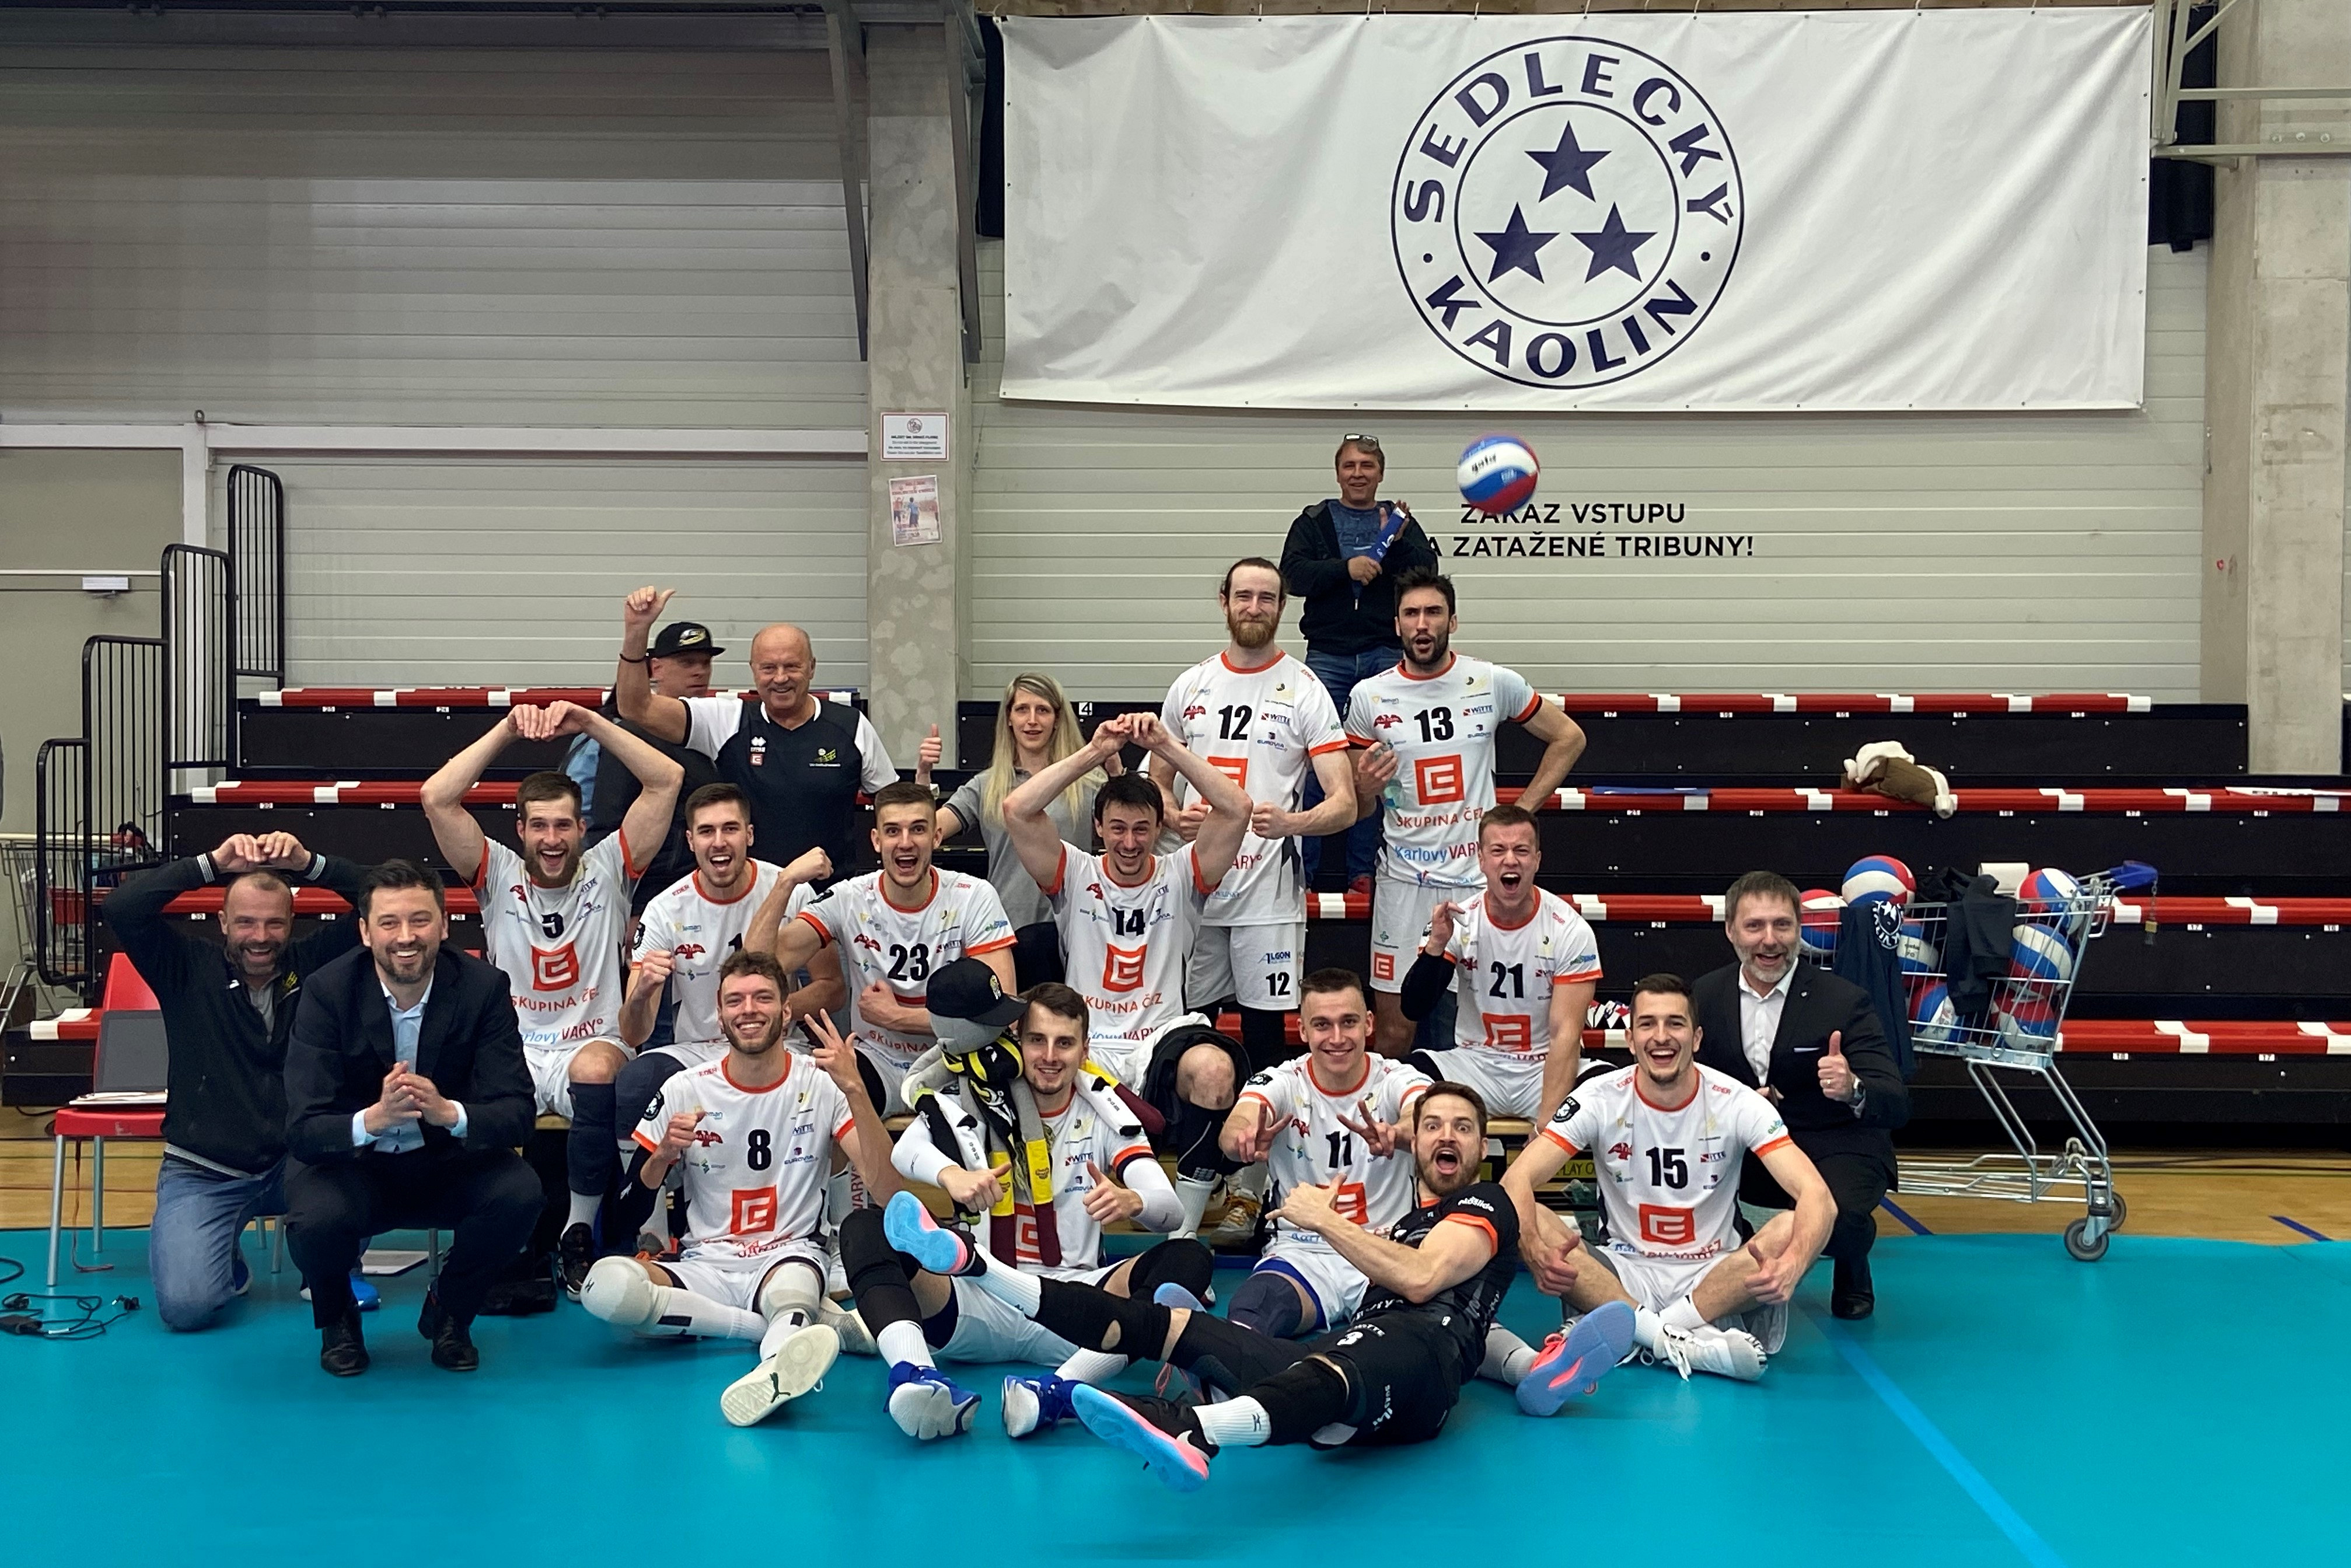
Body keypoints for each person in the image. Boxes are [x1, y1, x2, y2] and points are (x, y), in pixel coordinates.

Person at [879, 1081, 1637, 1490]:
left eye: (1462, 1127)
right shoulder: (1407, 1218)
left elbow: (1421, 1279)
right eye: (1432, 1123)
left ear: (1482, 1145)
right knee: (1168, 1328)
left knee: (1341, 1367)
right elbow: (1426, 1287)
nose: (1446, 1135)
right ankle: (982, 1267)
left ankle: (1199, 1431)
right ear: (1412, 1140)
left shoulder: (1488, 1201)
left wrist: (1322, 1218)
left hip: (1421, 1364)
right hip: (1354, 1350)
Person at [839, 968, 1215, 1441]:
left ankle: (1058, 1389)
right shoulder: (978, 1092)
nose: (1050, 1056)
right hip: (977, 1296)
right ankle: (917, 1376)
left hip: (1075, 1308)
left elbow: (1170, 1210)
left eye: (1064, 1043)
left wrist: (1132, 1199)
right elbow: (906, 1150)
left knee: (1189, 1257)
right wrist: (953, 1175)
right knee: (864, 1227)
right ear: (1016, 1040)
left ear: (1085, 1050)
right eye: (1037, 1040)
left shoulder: (1103, 1110)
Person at [420, 699, 684, 1295]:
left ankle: (577, 1232)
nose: (552, 837)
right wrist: (508, 729)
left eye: (563, 824)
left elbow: (666, 778)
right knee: (458, 1079)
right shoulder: (498, 873)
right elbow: (437, 797)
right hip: (513, 1048)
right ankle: (491, 1237)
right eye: (539, 825)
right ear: (520, 830)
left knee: (596, 1069)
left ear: (582, 827)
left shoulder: (609, 868)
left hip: (590, 1041)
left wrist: (590, 722)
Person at [581, 953, 896, 1426]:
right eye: (735, 1000)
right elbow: (622, 1219)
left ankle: (778, 1359)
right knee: (605, 1287)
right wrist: (662, 1155)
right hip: (705, 1263)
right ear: (720, 1013)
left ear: (785, 1011)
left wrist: (855, 1091)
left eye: (762, 997)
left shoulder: (822, 1083)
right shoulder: (684, 1088)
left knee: (791, 1289)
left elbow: (888, 1189)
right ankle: (768, 1328)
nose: (748, 1009)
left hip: (787, 1254)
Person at [1502, 972, 1836, 1382]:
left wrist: (1795, 1265)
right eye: (1647, 1024)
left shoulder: (1736, 1101)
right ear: (1630, 1039)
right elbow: (1516, 1180)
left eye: (1675, 1023)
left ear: (1696, 1038)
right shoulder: (1598, 1097)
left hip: (1712, 1277)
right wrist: (1534, 1249)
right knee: (1531, 1217)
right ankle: (1685, 1340)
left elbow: (1818, 1196)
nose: (1661, 1037)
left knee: (1789, 1227)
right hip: (1623, 1269)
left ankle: (1638, 1332)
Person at [282, 861, 544, 1376]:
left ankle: (451, 1311)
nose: (406, 937)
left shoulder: (483, 987)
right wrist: (373, 1118)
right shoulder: (326, 991)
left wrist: (450, 1113)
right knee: (312, 1220)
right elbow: (304, 1129)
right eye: (390, 922)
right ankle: (338, 1320)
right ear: (365, 932)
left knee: (519, 1193)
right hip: (356, 1167)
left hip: (444, 1161)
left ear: (444, 925)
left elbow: (518, 1112)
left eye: (420, 920)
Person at [101, 832, 369, 1330]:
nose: (260, 936)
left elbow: (381, 895)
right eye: (245, 922)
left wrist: (310, 862)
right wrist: (210, 863)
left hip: (300, 1163)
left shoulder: (315, 964)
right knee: (187, 1307)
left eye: (274, 923)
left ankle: (333, 1264)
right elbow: (122, 907)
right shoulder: (183, 967)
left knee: (359, 1148)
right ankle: (224, 1253)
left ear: (293, 922)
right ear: (222, 921)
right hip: (205, 1170)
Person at [1004, 712, 1256, 1238]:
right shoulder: (1074, 872)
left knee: (1214, 1070)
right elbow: (1017, 808)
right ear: (1098, 828)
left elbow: (1237, 807)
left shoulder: (1182, 873)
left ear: (1159, 828)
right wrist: (1096, 752)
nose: (1129, 841)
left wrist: (1165, 745)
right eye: (1117, 827)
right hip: (1087, 1045)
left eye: (1142, 828)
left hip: (1161, 1039)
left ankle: (1182, 1237)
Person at [1347, 568, 1587, 1057]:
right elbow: (1359, 801)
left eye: (1433, 612)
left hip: (1476, 881)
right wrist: (1364, 789)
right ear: (1396, 624)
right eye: (1411, 613)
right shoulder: (1368, 697)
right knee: (1393, 1031)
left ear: (1452, 621)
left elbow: (1569, 737)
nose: (1422, 624)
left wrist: (1518, 812)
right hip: (1403, 880)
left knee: (1478, 1024)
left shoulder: (1491, 681)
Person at [612, 784, 842, 1245]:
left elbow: (832, 986)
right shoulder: (666, 908)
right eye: (706, 831)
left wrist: (776, 1013)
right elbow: (633, 1033)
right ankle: (652, 1234)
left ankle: (837, 1230)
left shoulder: (791, 888)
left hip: (778, 1045)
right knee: (635, 1082)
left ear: (749, 835)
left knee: (841, 1082)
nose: (719, 842)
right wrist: (642, 994)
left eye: (730, 829)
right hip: (698, 1049)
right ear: (690, 840)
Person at [1155, 557, 1356, 1070]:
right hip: (1197, 890)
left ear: (1282, 607)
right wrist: (1172, 815)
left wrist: (1292, 823)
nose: (1254, 607)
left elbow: (1345, 804)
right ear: (1223, 602)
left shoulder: (1305, 688)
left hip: (1267, 896)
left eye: (1266, 598)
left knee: (1264, 1034)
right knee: (1187, 1029)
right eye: (1243, 596)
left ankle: (1261, 1123)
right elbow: (1156, 782)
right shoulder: (1190, 684)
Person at [1691, 870, 1910, 1320]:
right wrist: (1733, 1104)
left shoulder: (1844, 999)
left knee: (1841, 1219)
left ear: (1798, 928)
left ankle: (1851, 1259)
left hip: (1834, 1141)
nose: (1769, 940)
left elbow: (1895, 1100)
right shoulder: (1704, 994)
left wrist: (1852, 1087)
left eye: (1782, 925)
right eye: (1754, 926)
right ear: (1730, 930)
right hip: (1745, 1145)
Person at [752, 780, 1017, 1114]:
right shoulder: (849, 898)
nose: (905, 843)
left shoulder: (973, 896)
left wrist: (897, 1017)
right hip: (879, 1059)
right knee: (816, 1101)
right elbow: (757, 966)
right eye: (893, 831)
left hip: (956, 1059)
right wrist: (785, 882)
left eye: (918, 829)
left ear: (937, 836)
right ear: (876, 841)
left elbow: (999, 1013)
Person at [613, 586, 896, 878]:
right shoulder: (727, 720)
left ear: (812, 668)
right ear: (753, 670)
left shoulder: (851, 726)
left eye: (792, 666)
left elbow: (895, 808)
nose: (781, 678)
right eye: (769, 668)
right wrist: (637, 631)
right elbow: (636, 707)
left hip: (831, 894)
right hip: (747, 894)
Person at [1216, 968, 1430, 1339]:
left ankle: (1524, 1363)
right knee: (1253, 1311)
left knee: (1433, 1329)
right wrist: (1246, 1138)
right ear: (1302, 1030)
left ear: (1369, 1023)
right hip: (1304, 1254)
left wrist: (1397, 1134)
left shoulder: (1397, 1077)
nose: (1337, 1038)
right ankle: (1197, 1362)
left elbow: (1425, 1118)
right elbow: (1237, 1125)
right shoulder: (1284, 1080)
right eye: (1322, 1025)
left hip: (1383, 1250)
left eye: (1348, 1022)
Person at [1278, 434, 1440, 896]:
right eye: (1349, 465)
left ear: (1380, 473)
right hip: (1326, 656)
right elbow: (1291, 575)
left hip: (1382, 653)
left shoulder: (1401, 522)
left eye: (1367, 466)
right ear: (1337, 473)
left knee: (1377, 767)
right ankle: (1305, 874)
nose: (1357, 473)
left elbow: (1426, 576)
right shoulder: (1313, 521)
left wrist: (1399, 543)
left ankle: (1363, 872)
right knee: (1316, 762)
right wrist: (1345, 568)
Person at [1398, 803, 1601, 1125]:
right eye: (1498, 850)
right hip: (1475, 1064)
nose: (1510, 860)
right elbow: (1414, 1008)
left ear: (1537, 859)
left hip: (1543, 1065)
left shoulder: (1569, 929)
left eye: (1521, 850)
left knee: (1610, 1089)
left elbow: (1566, 1034)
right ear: (1481, 859)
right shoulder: (1459, 921)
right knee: (1402, 1076)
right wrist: (1436, 946)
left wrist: (1548, 1125)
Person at [923, 671, 1117, 933]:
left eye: (1043, 710)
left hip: (1075, 928)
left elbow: (1129, 829)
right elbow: (928, 831)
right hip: (1005, 929)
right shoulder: (986, 785)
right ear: (1009, 718)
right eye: (1022, 709)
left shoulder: (1089, 781)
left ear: (1057, 719)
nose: (1032, 720)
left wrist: (1116, 775)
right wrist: (923, 775)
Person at [568, 618, 725, 918]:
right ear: (656, 668)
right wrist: (628, 907)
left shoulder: (721, 727)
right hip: (651, 897)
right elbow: (608, 826)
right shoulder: (630, 734)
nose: (700, 671)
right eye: (687, 662)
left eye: (705, 663)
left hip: (709, 890)